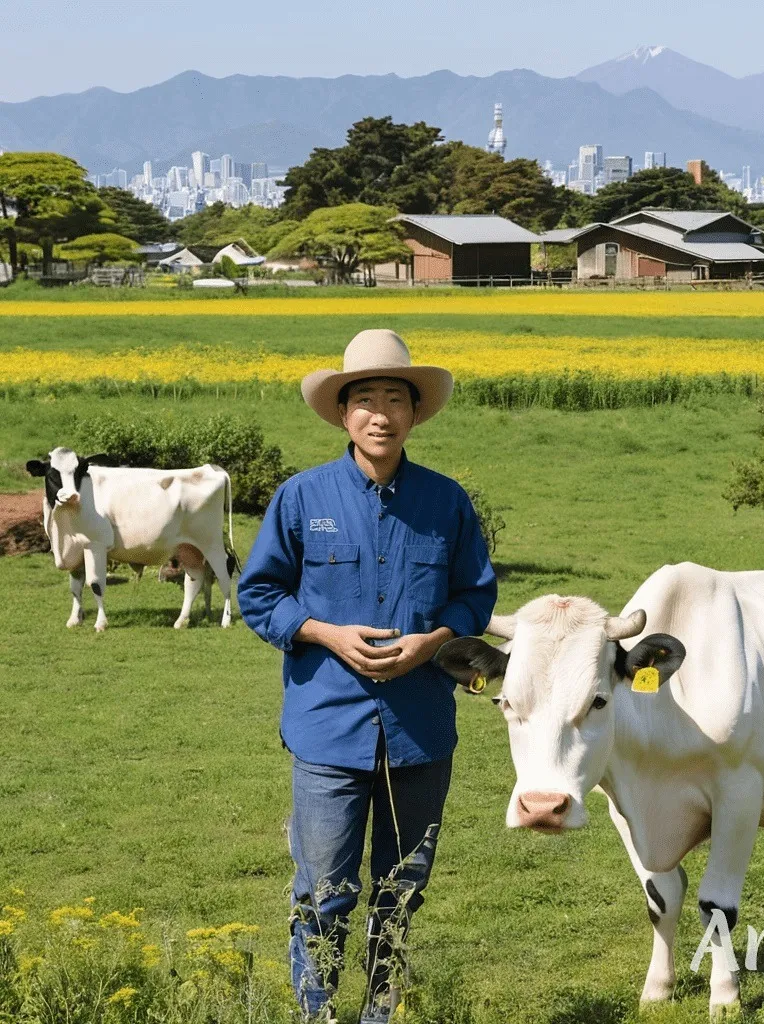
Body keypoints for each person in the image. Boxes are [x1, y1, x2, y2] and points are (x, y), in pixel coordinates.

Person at [238, 329, 498, 1022]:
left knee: (402, 886)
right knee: (324, 890)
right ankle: (317, 1014)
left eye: (394, 399)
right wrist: (326, 633)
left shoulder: (446, 503)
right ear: (343, 413)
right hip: (328, 728)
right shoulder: (301, 498)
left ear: (414, 414)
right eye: (365, 400)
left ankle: (383, 1014)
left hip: (419, 728)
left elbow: (476, 595)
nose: (380, 414)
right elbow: (258, 596)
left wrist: (435, 641)